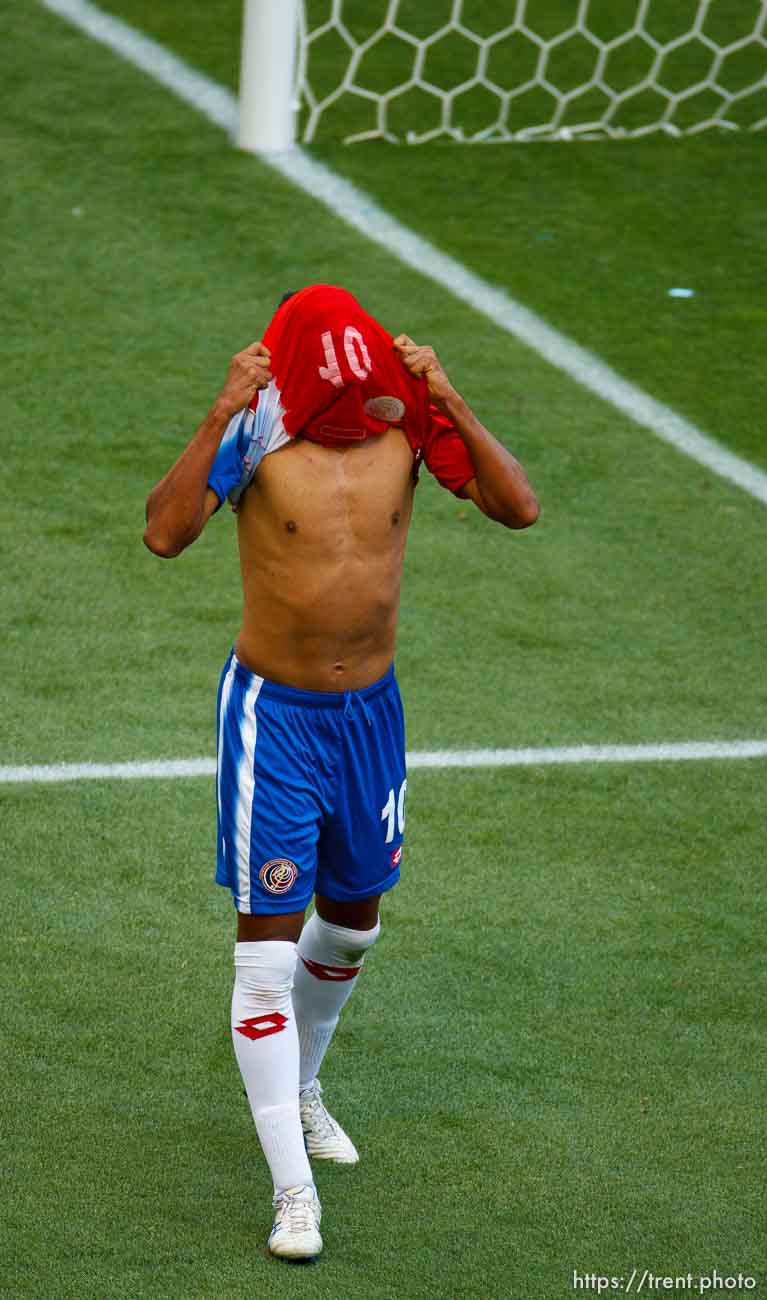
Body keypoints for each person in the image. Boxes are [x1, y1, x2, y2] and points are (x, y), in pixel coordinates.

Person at [143, 284, 538, 1261]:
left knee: (354, 927)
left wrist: (448, 395)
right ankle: (293, 1193)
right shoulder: (259, 430)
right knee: (264, 957)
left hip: (370, 715)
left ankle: (302, 1084)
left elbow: (517, 507)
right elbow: (164, 532)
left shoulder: (401, 430)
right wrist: (216, 412)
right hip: (273, 718)